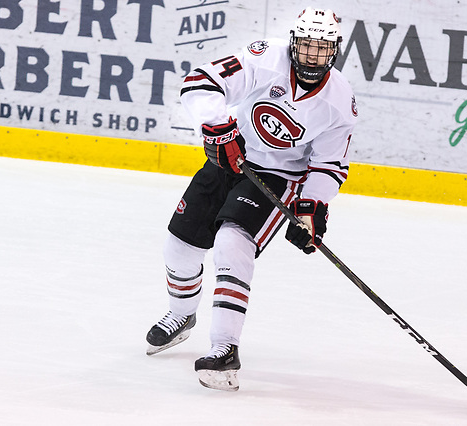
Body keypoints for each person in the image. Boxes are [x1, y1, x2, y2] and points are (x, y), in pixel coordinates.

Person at [145, 6, 358, 391]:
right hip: (232, 158)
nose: (313, 56)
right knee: (178, 248)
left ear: (335, 51)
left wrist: (312, 207)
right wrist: (218, 127)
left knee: (231, 243)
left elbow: (329, 163)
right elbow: (200, 81)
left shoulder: (340, 101)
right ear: (294, 43)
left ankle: (225, 349)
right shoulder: (264, 58)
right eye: (307, 46)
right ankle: (181, 315)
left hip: (278, 179)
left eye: (322, 49)